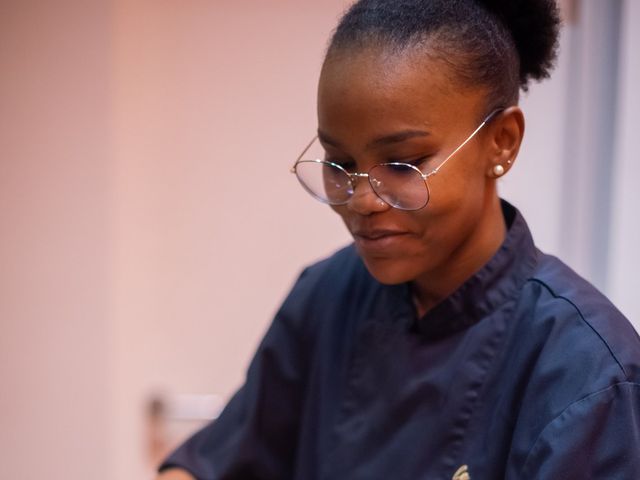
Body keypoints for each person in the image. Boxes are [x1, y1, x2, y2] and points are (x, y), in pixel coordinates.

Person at [157, 0, 640, 478]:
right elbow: (218, 460)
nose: (363, 200)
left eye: (403, 163)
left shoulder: (588, 374)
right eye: (340, 164)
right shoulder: (328, 295)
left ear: (502, 141)